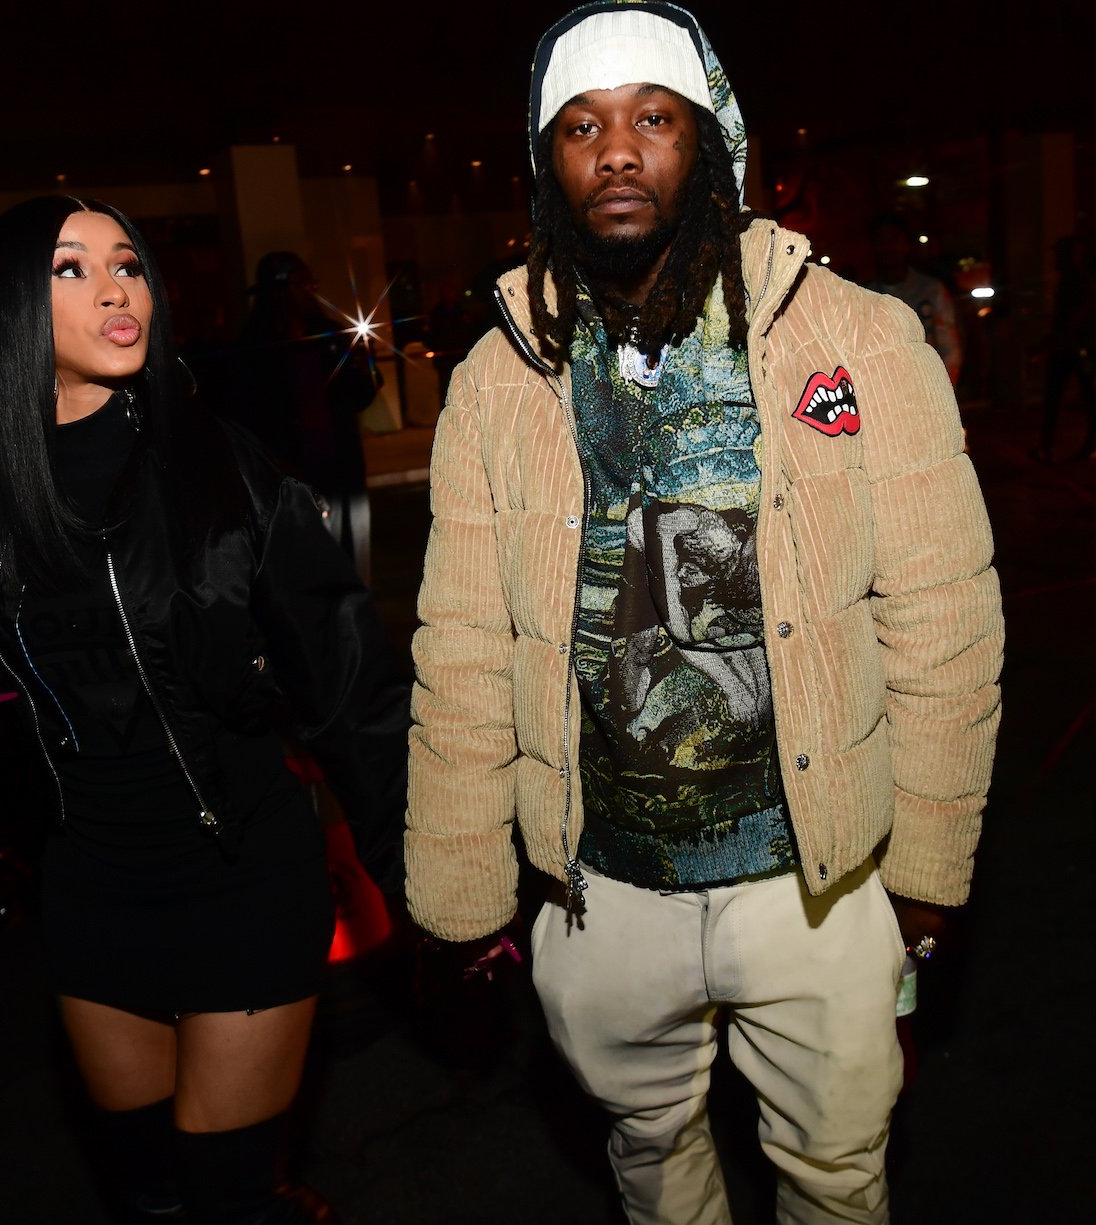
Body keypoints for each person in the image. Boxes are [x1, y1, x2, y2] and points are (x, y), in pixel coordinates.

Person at [403, 4, 1004, 1223]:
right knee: (648, 1153)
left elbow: (940, 615)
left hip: (812, 876)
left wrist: (929, 864)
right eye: (581, 127)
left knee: (836, 1171)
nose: (616, 150)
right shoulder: (498, 378)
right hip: (602, 886)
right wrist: (459, 878)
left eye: (651, 118)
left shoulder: (854, 337)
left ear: (708, 144)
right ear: (547, 164)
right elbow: (462, 645)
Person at [0, 195, 408, 1225]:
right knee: (147, 1192)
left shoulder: (220, 468)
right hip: (90, 896)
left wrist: (426, 877)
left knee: (223, 1194)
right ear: (9, 312)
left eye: (127, 265)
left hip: (243, 878)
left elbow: (349, 685)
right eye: (71, 270)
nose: (118, 290)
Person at [219, 252, 379, 582]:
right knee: (302, 569)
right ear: (280, 290)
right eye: (303, 283)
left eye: (311, 283)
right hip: (289, 476)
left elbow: (360, 396)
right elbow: (246, 417)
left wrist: (366, 369)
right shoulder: (253, 348)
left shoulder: (330, 336)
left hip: (340, 469)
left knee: (352, 559)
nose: (311, 291)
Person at [867, 211, 963, 387]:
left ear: (906, 245)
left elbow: (950, 348)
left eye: (894, 239)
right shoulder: (865, 297)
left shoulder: (932, 291)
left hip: (929, 386)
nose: (888, 247)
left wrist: (945, 391)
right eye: (881, 241)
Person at [1031, 235, 1095, 464]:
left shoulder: (1077, 279)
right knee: (1075, 396)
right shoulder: (1072, 278)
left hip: (1074, 347)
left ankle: (1050, 446)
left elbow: (1075, 316)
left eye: (1058, 254)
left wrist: (1054, 341)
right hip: (1072, 346)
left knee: (1064, 396)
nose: (1054, 259)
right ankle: (1049, 445)